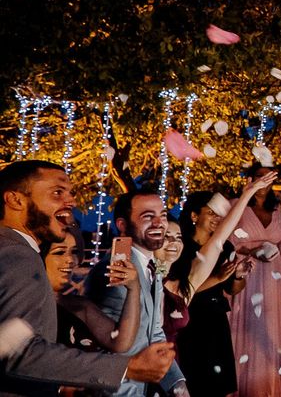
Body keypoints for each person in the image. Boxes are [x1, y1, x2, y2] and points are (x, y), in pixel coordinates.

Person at [0, 160, 175, 396]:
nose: (70, 201)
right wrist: (127, 368)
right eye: (57, 192)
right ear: (15, 200)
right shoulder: (16, 253)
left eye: (70, 193)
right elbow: (19, 353)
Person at [166, 179, 271, 396]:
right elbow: (182, 292)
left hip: (216, 318)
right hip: (191, 322)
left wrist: (239, 276)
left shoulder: (226, 247)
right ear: (194, 216)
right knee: (196, 380)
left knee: (220, 384)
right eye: (211, 213)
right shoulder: (180, 249)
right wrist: (218, 277)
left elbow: (232, 290)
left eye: (219, 214)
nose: (217, 218)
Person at [86, 187, 189, 397]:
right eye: (148, 216)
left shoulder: (150, 265)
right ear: (122, 225)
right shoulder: (116, 270)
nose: (159, 223)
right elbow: (115, 346)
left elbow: (154, 332)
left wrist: (178, 385)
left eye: (162, 215)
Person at [228, 163, 281, 397]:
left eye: (268, 177)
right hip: (243, 281)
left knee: (269, 332)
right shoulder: (234, 207)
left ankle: (268, 388)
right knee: (245, 330)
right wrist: (250, 252)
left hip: (271, 283)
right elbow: (223, 246)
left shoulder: (278, 212)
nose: (263, 181)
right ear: (249, 178)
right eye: (259, 176)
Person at [43, 228, 142, 354]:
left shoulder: (80, 306)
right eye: (59, 252)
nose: (71, 260)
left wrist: (134, 288)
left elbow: (120, 342)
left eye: (74, 252)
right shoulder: (26, 306)